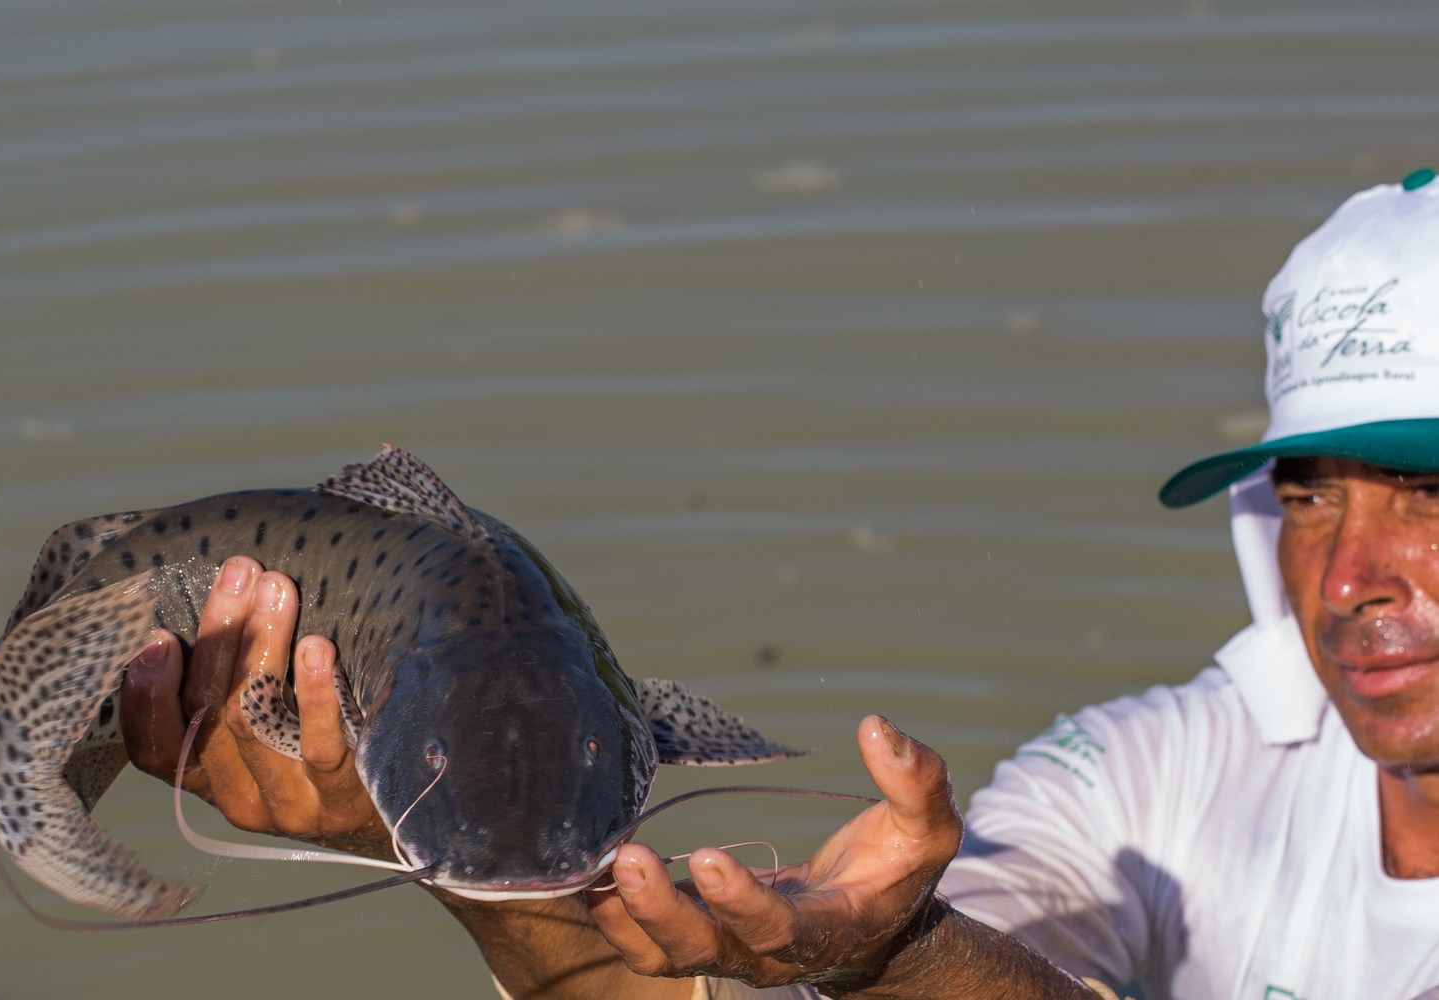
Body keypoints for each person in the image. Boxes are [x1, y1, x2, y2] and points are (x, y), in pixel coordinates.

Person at [121, 170, 1439, 998]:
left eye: (1428, 490)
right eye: (1310, 493)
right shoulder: (1159, 773)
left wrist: (904, 957)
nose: (1348, 574)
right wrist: (449, 820)